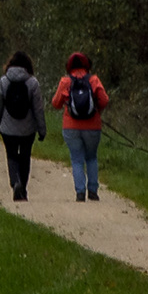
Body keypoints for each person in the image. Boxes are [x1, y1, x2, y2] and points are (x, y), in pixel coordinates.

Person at [51, 53, 113, 201]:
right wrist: (96, 108)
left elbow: (55, 103)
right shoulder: (94, 80)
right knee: (91, 157)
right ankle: (93, 191)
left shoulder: (65, 81)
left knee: (77, 159)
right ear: (87, 65)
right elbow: (104, 100)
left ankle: (80, 192)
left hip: (71, 126)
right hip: (93, 126)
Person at [0, 49, 42, 200]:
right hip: (28, 129)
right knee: (25, 157)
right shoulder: (33, 83)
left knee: (12, 155)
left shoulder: (4, 81)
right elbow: (38, 109)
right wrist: (42, 129)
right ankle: (23, 189)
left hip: (8, 127)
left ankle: (15, 182)